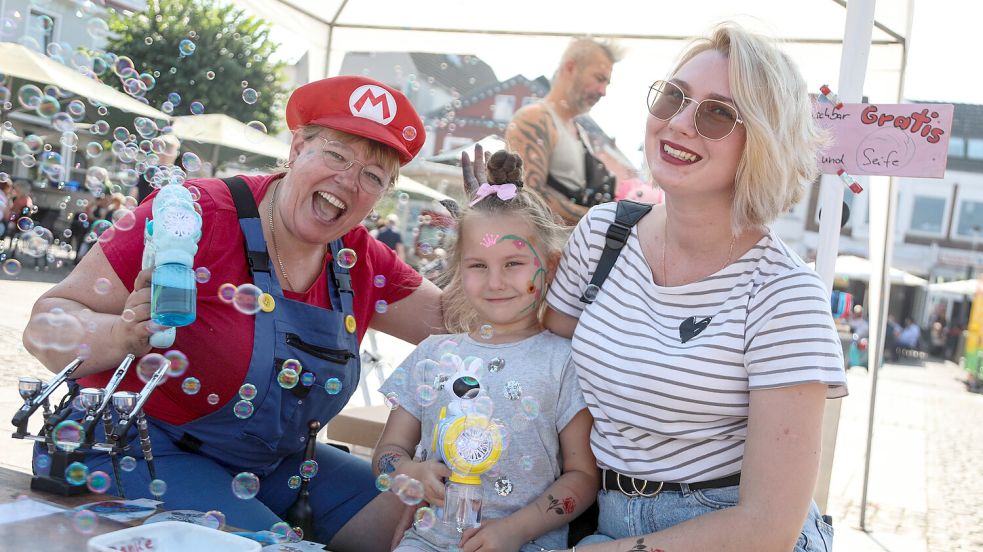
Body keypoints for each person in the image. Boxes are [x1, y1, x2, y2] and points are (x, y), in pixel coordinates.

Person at [22, 76, 443, 551]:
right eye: (337, 156)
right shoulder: (191, 216)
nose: (348, 181)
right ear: (298, 147)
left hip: (276, 465)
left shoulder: (363, 257)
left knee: (436, 517)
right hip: (141, 449)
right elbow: (43, 325)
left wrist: (495, 228)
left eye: (372, 176)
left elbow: (471, 321)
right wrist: (121, 334)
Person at [543, 23, 846, 551]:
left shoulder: (783, 295)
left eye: (717, 113)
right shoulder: (603, 235)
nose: (679, 123)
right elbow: (545, 366)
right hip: (603, 512)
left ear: (765, 142)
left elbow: (767, 527)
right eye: (672, 98)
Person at [374, 150, 598, 552]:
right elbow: (388, 454)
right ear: (458, 268)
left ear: (550, 264)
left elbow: (582, 477)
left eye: (513, 263)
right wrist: (409, 471)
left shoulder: (564, 362)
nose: (495, 281)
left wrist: (514, 530)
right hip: (425, 542)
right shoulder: (431, 354)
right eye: (478, 265)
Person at [506, 37, 620, 224]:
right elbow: (526, 198)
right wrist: (604, 217)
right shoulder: (535, 119)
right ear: (570, 68)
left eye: (607, 83)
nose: (603, 91)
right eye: (599, 79)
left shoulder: (578, 131)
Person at [133, 133, 182, 203]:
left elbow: (132, 198)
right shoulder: (176, 175)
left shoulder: (146, 172)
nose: (177, 154)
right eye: (175, 150)